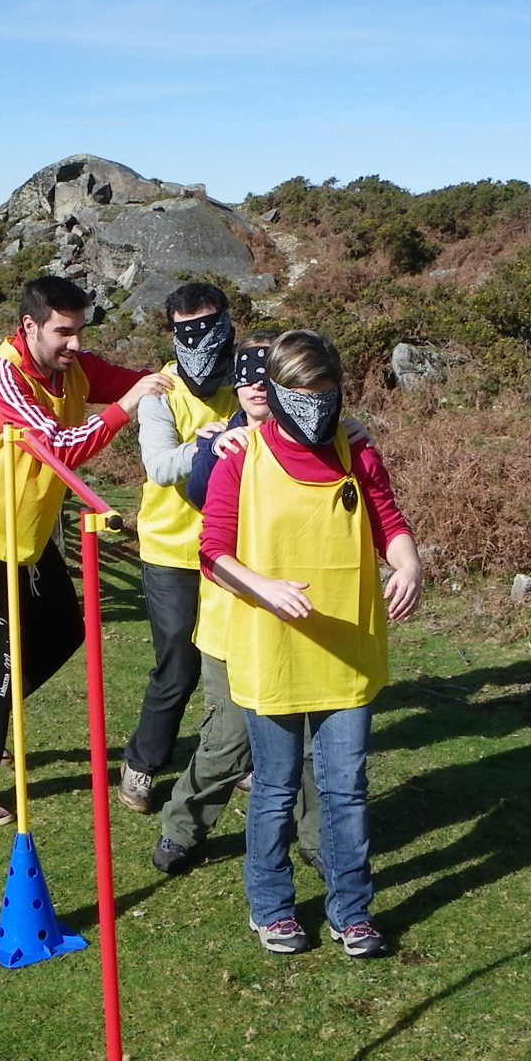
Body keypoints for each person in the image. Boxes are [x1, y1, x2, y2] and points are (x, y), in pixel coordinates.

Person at [200, 330, 423, 957]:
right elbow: (213, 550)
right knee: (274, 786)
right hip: (272, 648)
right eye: (299, 394)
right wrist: (265, 588)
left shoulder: (358, 452)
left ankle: (352, 910)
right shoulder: (240, 457)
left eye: (326, 394)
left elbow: (389, 522)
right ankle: (270, 906)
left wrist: (408, 566)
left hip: (348, 646)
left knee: (346, 785)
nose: (314, 407)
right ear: (273, 392)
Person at [0, 275, 171, 825]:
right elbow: (59, 446)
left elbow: (141, 380)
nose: (76, 345)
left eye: (81, 331)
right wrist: (126, 407)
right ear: (29, 325)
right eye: (64, 332)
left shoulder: (73, 369)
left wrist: (177, 381)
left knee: (65, 629)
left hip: (29, 534)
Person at [149, 334, 322, 876]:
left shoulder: (316, 437)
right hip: (232, 617)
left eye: (263, 378)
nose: (253, 389)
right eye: (243, 378)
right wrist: (214, 446)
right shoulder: (220, 444)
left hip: (302, 610)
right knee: (230, 737)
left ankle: (318, 838)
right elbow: (201, 497)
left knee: (312, 737)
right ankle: (182, 827)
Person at [119, 282, 239, 817]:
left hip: (234, 549)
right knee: (178, 667)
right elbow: (161, 467)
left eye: (209, 325)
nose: (200, 340)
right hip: (170, 549)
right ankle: (142, 763)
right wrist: (214, 444)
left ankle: (233, 759)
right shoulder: (161, 392)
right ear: (172, 330)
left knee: (233, 662)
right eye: (185, 329)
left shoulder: (247, 379)